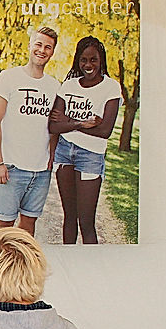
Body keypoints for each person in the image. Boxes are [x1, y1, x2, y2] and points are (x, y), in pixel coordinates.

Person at [49, 36, 122, 244]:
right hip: (64, 153)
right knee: (69, 218)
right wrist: (82, 123)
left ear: (101, 61)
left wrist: (69, 122)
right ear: (77, 61)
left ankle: (93, 270)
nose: (88, 65)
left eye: (93, 60)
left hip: (90, 156)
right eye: (83, 60)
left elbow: (105, 130)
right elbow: (54, 126)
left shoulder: (111, 88)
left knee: (86, 222)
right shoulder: (69, 86)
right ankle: (68, 265)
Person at [0, 27, 60, 237]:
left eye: (48, 47)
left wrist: (51, 156)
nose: (42, 50)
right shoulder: (8, 78)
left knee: (28, 226)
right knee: (5, 228)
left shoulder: (55, 86)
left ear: (52, 52)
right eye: (38, 44)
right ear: (29, 45)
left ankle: (23, 268)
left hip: (40, 171)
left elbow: (54, 128)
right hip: (11, 168)